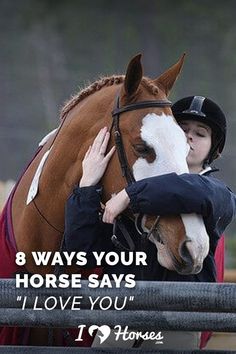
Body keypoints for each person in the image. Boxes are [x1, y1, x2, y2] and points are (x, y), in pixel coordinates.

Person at [64, 96, 236, 349]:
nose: (189, 137)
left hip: (175, 324)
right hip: (117, 322)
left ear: (214, 149)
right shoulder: (130, 192)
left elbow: (194, 191)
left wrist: (130, 194)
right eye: (182, 129)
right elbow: (81, 254)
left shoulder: (215, 192)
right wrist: (87, 187)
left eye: (200, 133)